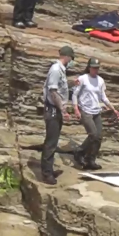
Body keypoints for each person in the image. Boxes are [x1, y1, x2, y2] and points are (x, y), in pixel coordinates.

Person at [71, 58, 119, 170]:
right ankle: (79, 152)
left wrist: (113, 109)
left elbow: (103, 97)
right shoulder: (83, 79)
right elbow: (74, 94)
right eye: (93, 67)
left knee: (98, 137)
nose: (95, 70)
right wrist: (76, 109)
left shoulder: (100, 81)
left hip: (96, 112)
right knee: (93, 134)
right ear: (89, 67)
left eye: (97, 68)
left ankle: (91, 160)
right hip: (85, 111)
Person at [42, 45, 75, 185]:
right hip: (53, 110)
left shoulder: (61, 70)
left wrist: (72, 83)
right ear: (67, 56)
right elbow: (53, 92)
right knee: (50, 142)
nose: (71, 61)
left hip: (56, 109)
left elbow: (60, 88)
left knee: (53, 141)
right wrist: (63, 109)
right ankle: (46, 174)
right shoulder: (56, 70)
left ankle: (49, 169)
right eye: (72, 58)